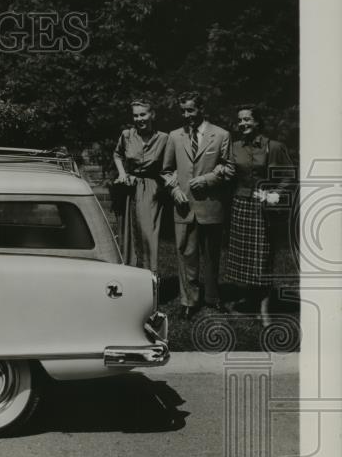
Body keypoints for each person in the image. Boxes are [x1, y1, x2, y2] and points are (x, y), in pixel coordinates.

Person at [161, 92, 235, 318]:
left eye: (190, 110)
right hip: (183, 208)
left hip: (211, 206)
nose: (186, 115)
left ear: (201, 109)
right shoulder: (174, 136)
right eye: (183, 111)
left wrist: (206, 180)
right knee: (186, 255)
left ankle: (213, 298)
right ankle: (189, 301)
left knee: (212, 256)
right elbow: (165, 171)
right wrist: (174, 190)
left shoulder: (221, 135)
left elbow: (229, 169)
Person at [224, 105, 293, 327]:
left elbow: (289, 175)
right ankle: (250, 301)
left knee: (262, 258)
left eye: (247, 119)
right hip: (240, 204)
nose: (242, 123)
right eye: (240, 120)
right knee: (245, 257)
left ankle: (264, 309)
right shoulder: (234, 147)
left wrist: (275, 194)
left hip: (263, 207)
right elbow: (228, 173)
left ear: (257, 122)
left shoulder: (273, 147)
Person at [112, 99, 169, 271]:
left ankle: (150, 276)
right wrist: (122, 173)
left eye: (143, 114)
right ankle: (130, 276)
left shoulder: (164, 138)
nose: (139, 119)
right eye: (135, 115)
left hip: (151, 188)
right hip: (129, 189)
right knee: (128, 234)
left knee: (148, 233)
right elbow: (117, 155)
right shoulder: (127, 135)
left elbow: (170, 165)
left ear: (152, 114)